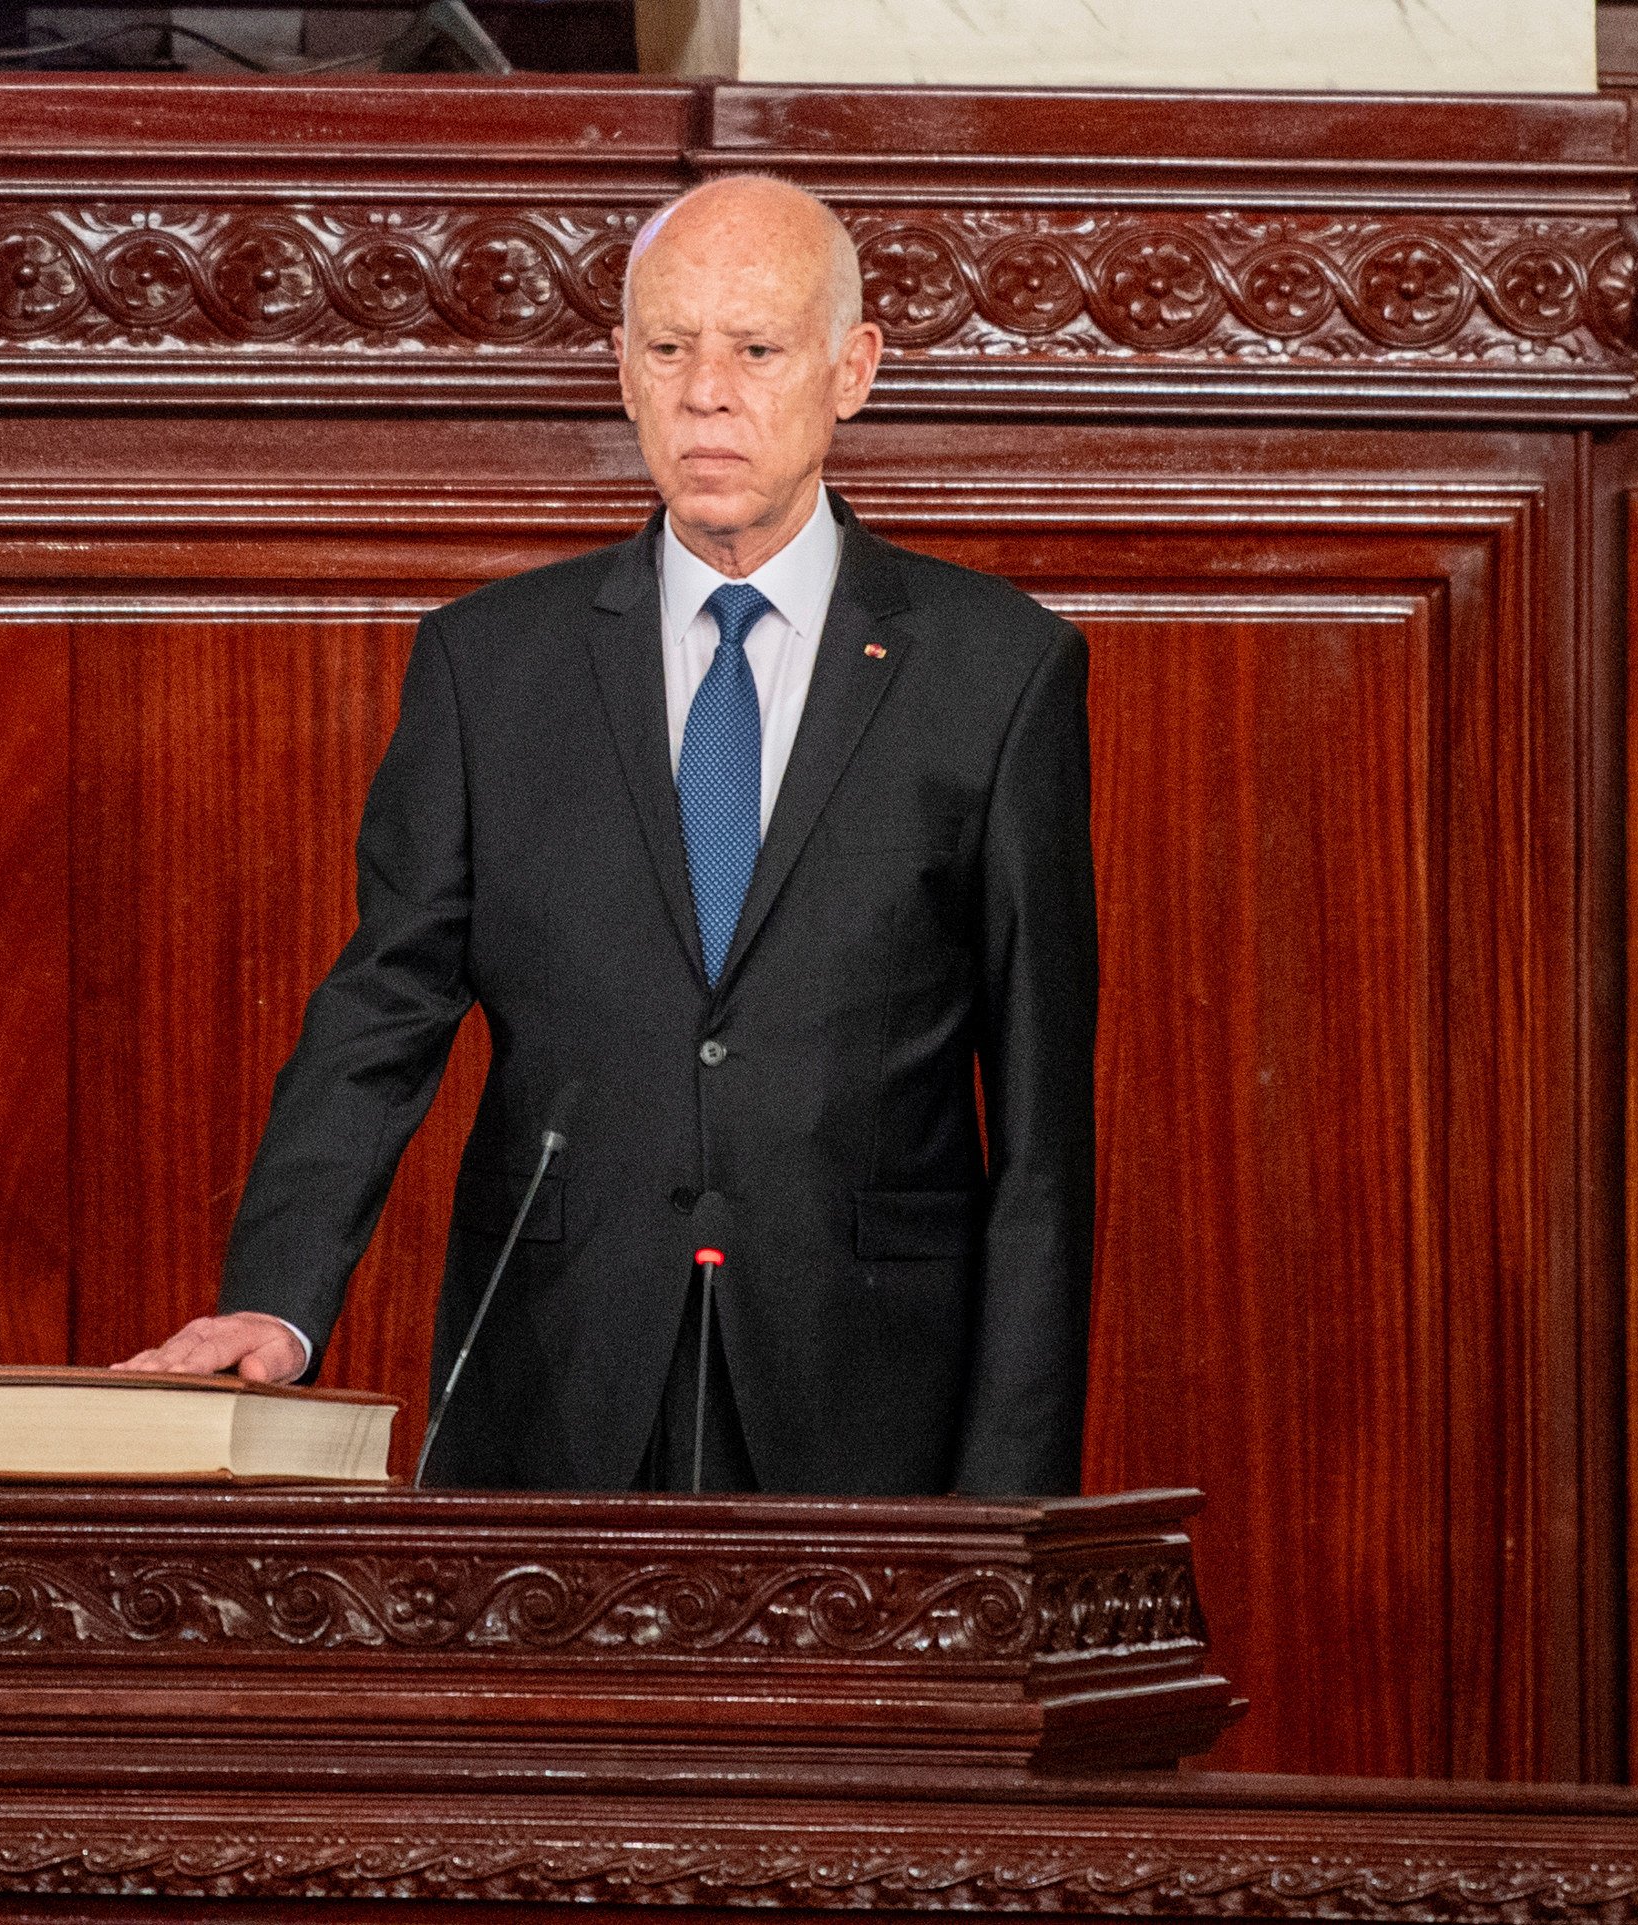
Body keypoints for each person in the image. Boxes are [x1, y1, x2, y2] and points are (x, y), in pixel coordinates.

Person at [117, 175, 1095, 1496]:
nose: (707, 394)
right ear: (623, 373)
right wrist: (278, 1300)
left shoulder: (997, 670)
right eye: (669, 347)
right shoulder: (490, 666)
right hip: (557, 1378)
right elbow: (382, 1009)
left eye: (758, 350)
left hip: (869, 1397)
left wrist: (1010, 1494)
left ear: (852, 371)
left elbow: (1041, 1130)